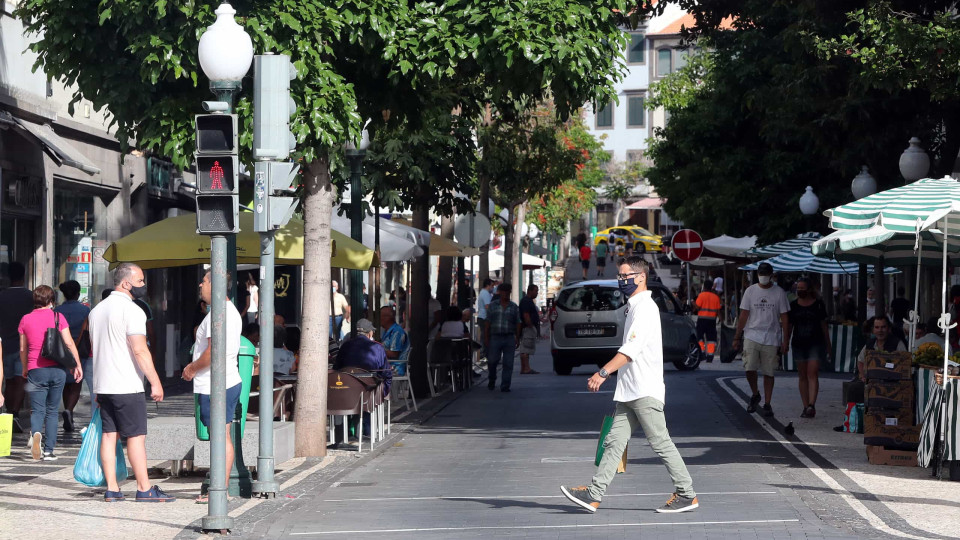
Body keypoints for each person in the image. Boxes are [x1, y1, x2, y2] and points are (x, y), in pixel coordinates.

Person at [560, 256, 698, 514]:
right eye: (620, 277)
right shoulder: (633, 306)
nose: (621, 281)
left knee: (660, 442)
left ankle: (686, 493)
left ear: (641, 277)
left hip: (644, 389)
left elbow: (631, 349)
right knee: (614, 441)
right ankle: (594, 494)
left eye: (625, 277)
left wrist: (603, 372)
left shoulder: (645, 308)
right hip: (630, 390)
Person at [87, 263, 172, 502]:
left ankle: (112, 488)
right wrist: (155, 382)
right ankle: (144, 488)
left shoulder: (96, 311)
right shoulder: (133, 311)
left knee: (108, 435)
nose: (143, 286)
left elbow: (97, 350)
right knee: (136, 437)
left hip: (104, 384)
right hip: (127, 384)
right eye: (141, 281)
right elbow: (140, 350)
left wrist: (96, 387)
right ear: (126, 283)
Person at [181, 270, 243, 504]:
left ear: (215, 286)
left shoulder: (221, 313)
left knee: (220, 435)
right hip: (217, 382)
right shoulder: (219, 312)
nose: (200, 284)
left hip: (218, 383)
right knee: (219, 434)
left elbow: (213, 351)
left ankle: (220, 489)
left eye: (205, 281)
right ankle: (218, 487)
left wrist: (191, 368)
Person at [20, 285, 82, 460]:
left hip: (35, 370)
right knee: (53, 411)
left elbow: (23, 349)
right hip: (57, 370)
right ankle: (48, 451)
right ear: (51, 300)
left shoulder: (25, 319)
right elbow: (69, 343)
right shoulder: (58, 316)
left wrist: (25, 367)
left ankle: (36, 434)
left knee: (37, 410)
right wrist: (77, 364)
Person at [733, 262, 789, 417]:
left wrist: (786, 340)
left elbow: (785, 317)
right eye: (761, 274)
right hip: (752, 334)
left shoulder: (779, 293)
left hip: (771, 337)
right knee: (749, 367)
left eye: (766, 274)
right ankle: (755, 393)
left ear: (771, 275)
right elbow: (744, 314)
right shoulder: (750, 291)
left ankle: (767, 403)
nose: (763, 277)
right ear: (758, 274)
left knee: (769, 372)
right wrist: (737, 336)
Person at [787, 277, 831, 418]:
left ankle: (811, 404)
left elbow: (824, 326)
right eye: (798, 288)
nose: (799, 291)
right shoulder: (793, 305)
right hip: (798, 343)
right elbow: (789, 326)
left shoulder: (818, 305)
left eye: (802, 288)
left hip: (816, 342)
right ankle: (805, 405)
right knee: (802, 375)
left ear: (809, 289)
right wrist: (785, 342)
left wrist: (828, 345)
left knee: (812, 373)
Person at [0, 262, 35, 433]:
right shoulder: (30, 297)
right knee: (21, 380)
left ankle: (7, 412)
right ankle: (14, 413)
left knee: (7, 381)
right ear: (24, 276)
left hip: (4, 345)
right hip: (24, 346)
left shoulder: (2, 296)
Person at [57, 280, 92, 431]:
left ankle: (67, 409)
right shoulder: (86, 311)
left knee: (65, 382)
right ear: (78, 294)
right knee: (76, 382)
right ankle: (69, 410)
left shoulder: (57, 311)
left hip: (60, 351)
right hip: (80, 350)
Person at [334, 318, 392, 396]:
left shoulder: (345, 346)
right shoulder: (377, 347)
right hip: (370, 391)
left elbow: (336, 368)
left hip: (347, 390)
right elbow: (386, 372)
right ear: (370, 333)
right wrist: (383, 393)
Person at [484, 283, 521, 392]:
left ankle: (505, 385)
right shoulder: (493, 305)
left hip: (509, 337)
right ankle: (492, 378)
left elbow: (518, 322)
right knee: (492, 360)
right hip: (495, 337)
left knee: (508, 363)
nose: (505, 294)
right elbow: (487, 322)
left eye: (507, 292)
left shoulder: (514, 307)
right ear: (500, 293)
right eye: (503, 292)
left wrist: (517, 337)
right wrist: (486, 337)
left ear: (510, 292)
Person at [856, 316, 906, 382]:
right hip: (871, 382)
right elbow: (860, 361)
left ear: (889, 329)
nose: (880, 330)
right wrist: (863, 376)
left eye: (883, 327)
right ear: (873, 330)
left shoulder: (897, 343)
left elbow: (905, 363)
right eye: (877, 327)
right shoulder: (870, 343)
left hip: (891, 384)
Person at [694, 283, 721, 363]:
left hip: (702, 320)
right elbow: (718, 311)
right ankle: (710, 355)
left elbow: (697, 307)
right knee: (711, 339)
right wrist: (722, 321)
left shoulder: (701, 295)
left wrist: (692, 302)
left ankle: (702, 352)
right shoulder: (716, 297)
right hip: (712, 321)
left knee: (699, 337)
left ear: (704, 287)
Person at [518, 284, 541, 375]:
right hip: (527, 328)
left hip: (528, 327)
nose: (537, 293)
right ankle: (526, 368)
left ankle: (524, 368)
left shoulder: (528, 301)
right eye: (535, 291)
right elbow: (526, 314)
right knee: (526, 348)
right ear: (530, 291)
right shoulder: (526, 301)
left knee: (526, 348)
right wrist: (530, 325)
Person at [380, 306, 410, 375]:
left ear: (388, 318)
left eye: (381, 316)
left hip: (395, 369)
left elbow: (394, 354)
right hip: (386, 367)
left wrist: (377, 351)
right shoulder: (387, 331)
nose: (379, 319)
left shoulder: (397, 332)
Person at [476, 279, 495, 351]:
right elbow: (487, 306)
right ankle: (484, 352)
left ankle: (483, 352)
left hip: (482, 317)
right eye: (492, 286)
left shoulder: (483, 292)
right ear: (488, 285)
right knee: (485, 336)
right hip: (484, 317)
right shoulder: (485, 293)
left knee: (484, 336)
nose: (492, 288)